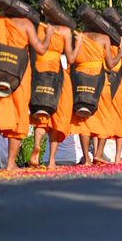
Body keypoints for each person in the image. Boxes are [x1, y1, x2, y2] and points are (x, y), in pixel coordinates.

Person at [0, 0, 54, 172]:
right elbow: (41, 49)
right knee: (18, 119)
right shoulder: (26, 24)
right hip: (19, 78)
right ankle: (10, 164)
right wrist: (49, 35)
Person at [70, 21, 122, 166]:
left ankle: (86, 159)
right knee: (104, 118)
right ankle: (99, 153)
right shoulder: (103, 38)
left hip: (82, 80)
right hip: (99, 82)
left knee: (83, 120)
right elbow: (110, 64)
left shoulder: (78, 36)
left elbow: (72, 59)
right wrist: (121, 53)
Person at [30, 16, 81, 170]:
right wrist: (79, 43)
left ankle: (37, 146)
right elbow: (71, 59)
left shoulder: (36, 27)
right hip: (57, 75)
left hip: (39, 73)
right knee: (56, 120)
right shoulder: (64, 31)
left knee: (41, 115)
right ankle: (52, 160)